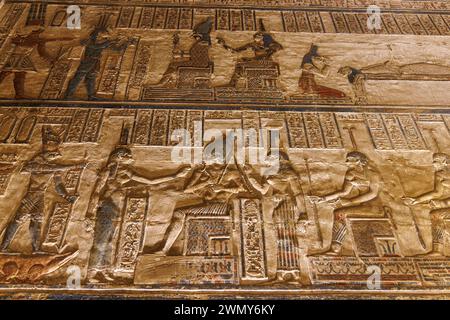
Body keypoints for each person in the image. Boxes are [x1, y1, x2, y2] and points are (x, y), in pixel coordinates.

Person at [85, 147, 189, 283]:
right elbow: (96, 192)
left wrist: (176, 176)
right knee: (101, 240)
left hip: (116, 208)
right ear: (120, 157)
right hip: (106, 207)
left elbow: (150, 181)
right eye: (128, 156)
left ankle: (104, 270)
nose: (131, 158)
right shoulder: (109, 172)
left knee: (110, 241)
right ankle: (91, 273)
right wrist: (90, 213)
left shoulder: (126, 172)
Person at [0, 126, 83, 253]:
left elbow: (58, 185)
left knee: (37, 221)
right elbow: (34, 168)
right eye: (52, 153)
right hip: (31, 195)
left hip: (40, 196)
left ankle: (36, 249)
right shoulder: (37, 160)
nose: (54, 155)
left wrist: (67, 196)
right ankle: (3, 247)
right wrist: (67, 167)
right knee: (18, 219)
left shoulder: (54, 166)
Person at [311, 151, 382, 255]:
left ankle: (336, 248)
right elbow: (344, 192)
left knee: (340, 214)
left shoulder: (372, 174)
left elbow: (373, 194)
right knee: (338, 213)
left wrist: (351, 201)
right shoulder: (351, 174)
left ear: (358, 161)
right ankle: (335, 247)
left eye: (349, 160)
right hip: (362, 206)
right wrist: (323, 199)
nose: (346, 162)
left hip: (373, 207)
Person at [64, 23, 134, 100]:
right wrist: (110, 41)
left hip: (96, 61)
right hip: (88, 60)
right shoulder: (89, 41)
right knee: (79, 76)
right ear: (97, 35)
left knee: (91, 77)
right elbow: (96, 46)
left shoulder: (104, 43)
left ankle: (91, 95)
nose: (105, 37)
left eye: (105, 36)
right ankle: (69, 94)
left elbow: (118, 50)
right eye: (103, 35)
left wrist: (127, 43)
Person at [0, 28, 72, 99]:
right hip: (15, 58)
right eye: (36, 33)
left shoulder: (34, 40)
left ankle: (19, 94)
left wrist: (50, 59)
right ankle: (19, 94)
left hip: (22, 59)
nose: (37, 35)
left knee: (20, 75)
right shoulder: (23, 38)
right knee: (5, 73)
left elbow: (42, 53)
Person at [403, 153, 450, 256]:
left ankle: (438, 250)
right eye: (433, 161)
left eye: (436, 161)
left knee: (437, 214)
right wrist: (416, 200)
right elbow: (437, 193)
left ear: (445, 162)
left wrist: (444, 203)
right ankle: (438, 250)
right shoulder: (439, 174)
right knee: (435, 214)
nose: (433, 163)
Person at [217, 19, 283, 88]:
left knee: (242, 63)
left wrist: (252, 59)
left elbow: (269, 54)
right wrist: (224, 45)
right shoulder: (253, 44)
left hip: (266, 63)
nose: (256, 38)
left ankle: (235, 84)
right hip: (257, 63)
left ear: (263, 37)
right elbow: (235, 51)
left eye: (259, 36)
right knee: (240, 64)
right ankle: (233, 84)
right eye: (256, 36)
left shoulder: (271, 45)